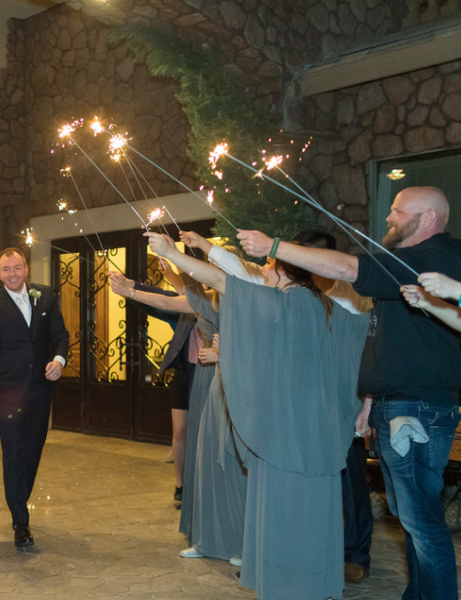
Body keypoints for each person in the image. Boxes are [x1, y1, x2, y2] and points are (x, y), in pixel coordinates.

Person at [238, 186, 461, 599]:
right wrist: (370, 401)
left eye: (398, 211)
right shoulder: (411, 264)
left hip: (417, 410)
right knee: (410, 518)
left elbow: (345, 267)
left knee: (423, 521)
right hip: (395, 405)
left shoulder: (435, 258)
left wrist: (274, 245)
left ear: (428, 217)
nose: (390, 217)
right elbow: (395, 341)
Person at [148, 231, 369, 600]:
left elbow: (222, 279)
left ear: (284, 269)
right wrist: (364, 403)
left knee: (284, 510)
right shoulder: (325, 306)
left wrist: (172, 252)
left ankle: (287, 586)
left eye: (268, 263)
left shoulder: (288, 303)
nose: (263, 270)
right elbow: (361, 345)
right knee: (312, 511)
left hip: (284, 429)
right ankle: (315, 583)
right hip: (320, 429)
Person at [0, 248, 70, 547]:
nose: (12, 274)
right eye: (6, 269)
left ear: (26, 269)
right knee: (14, 451)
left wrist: (59, 360)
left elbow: (61, 335)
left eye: (17, 268)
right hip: (7, 392)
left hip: (41, 389)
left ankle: (18, 500)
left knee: (33, 450)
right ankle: (20, 521)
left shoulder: (45, 295)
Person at [109, 266, 197, 505]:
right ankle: (180, 484)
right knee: (179, 431)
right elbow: (160, 299)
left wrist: (128, 290)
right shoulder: (186, 301)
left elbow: (170, 300)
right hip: (183, 372)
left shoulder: (210, 301)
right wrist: (129, 284)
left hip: (208, 375)